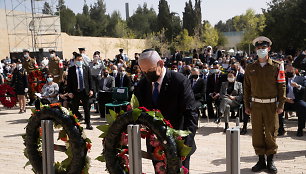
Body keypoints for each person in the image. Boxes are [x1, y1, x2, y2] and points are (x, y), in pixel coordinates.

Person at [134, 49, 198, 170]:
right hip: (156, 145)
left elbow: (191, 114)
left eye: (150, 70)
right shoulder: (143, 85)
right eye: (144, 71)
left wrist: (185, 145)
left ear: (161, 64)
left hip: (179, 143)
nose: (147, 74)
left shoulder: (179, 81)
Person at [244, 36, 286, 173]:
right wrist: (246, 105)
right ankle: (261, 161)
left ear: (269, 49)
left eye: (264, 48)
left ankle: (271, 162)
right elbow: (246, 89)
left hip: (271, 105)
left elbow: (282, 86)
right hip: (256, 105)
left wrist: (281, 105)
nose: (261, 50)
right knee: (257, 134)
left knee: (271, 133)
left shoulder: (277, 66)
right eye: (259, 48)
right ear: (255, 49)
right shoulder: (250, 67)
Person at [67, 53, 94, 130]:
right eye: (78, 60)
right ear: (75, 60)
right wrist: (69, 92)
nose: (80, 61)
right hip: (75, 92)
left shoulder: (86, 68)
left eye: (81, 60)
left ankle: (88, 124)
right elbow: (69, 82)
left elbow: (90, 80)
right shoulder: (71, 69)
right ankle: (75, 124)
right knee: (74, 108)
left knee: (87, 108)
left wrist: (91, 90)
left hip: (85, 91)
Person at [278, 65, 306, 136]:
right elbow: (278, 90)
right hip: (286, 100)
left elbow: (305, 88)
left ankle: (300, 129)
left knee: (303, 106)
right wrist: (286, 99)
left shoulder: (301, 78)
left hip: (297, 100)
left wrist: (298, 86)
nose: (289, 71)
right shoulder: (283, 79)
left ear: (295, 70)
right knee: (277, 106)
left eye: (291, 70)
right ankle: (280, 128)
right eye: (287, 70)